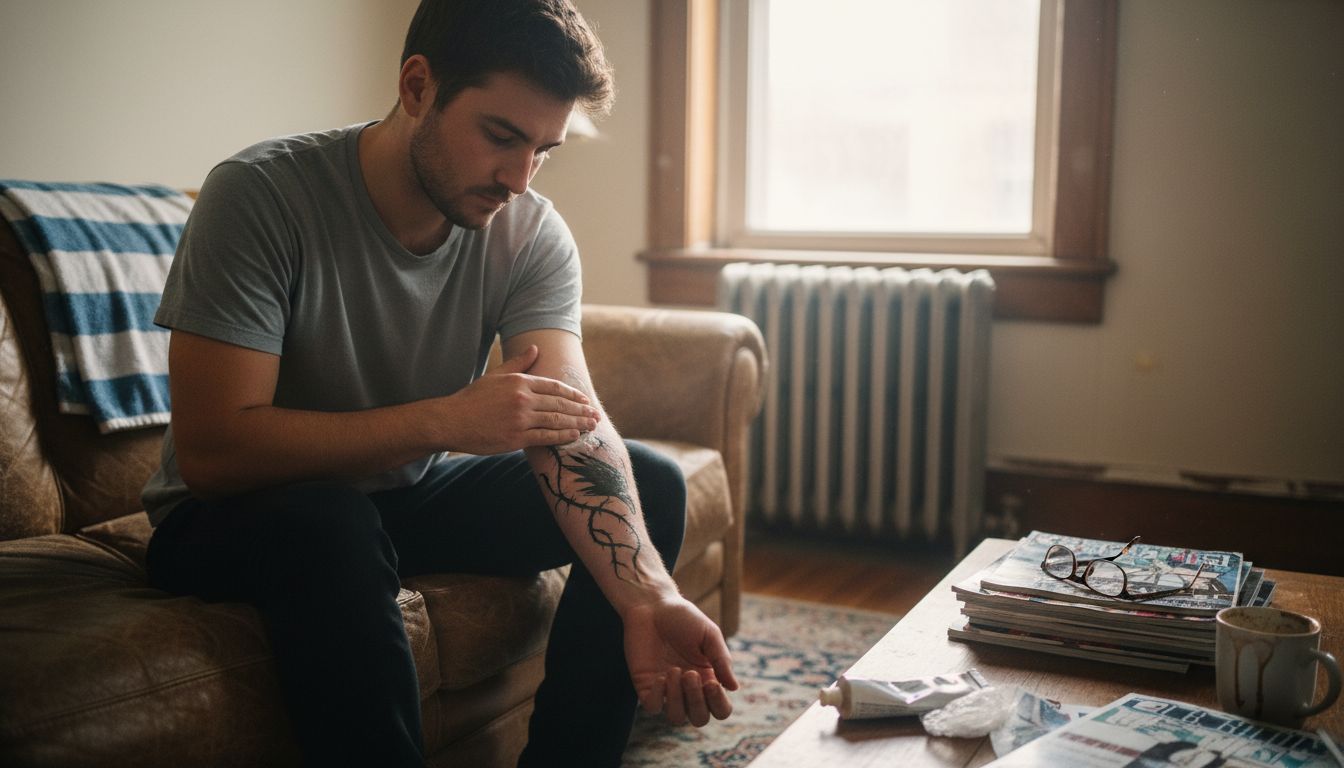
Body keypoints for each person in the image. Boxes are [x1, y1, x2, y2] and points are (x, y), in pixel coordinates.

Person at [139, 1, 738, 765]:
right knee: (328, 523)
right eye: (501, 137)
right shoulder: (261, 195)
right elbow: (214, 452)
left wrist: (648, 593)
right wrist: (443, 422)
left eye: (544, 151)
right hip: (226, 517)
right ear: (418, 86)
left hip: (389, 500)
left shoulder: (530, 234)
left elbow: (570, 424)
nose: (520, 179)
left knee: (645, 481)